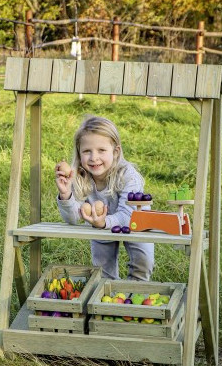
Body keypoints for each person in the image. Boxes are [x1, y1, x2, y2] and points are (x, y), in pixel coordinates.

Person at [54, 115, 154, 282]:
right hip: (100, 227)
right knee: (103, 272)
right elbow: (73, 218)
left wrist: (103, 222)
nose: (94, 157)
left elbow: (128, 216)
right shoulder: (79, 176)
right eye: (87, 151)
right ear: (79, 153)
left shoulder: (129, 176)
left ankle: (136, 295)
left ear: (115, 152)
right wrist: (66, 195)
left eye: (101, 150)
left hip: (136, 225)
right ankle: (108, 296)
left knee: (142, 265)